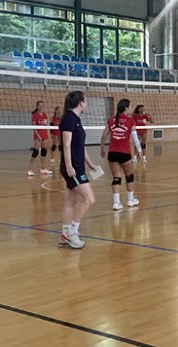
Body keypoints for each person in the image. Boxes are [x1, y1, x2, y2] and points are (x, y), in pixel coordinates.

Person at [59, 91, 97, 249]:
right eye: (86, 101)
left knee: (70, 201)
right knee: (89, 199)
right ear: (81, 102)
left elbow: (79, 147)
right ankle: (72, 232)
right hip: (73, 168)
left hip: (78, 166)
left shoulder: (75, 119)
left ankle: (64, 235)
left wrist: (90, 164)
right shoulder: (68, 118)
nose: (86, 104)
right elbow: (66, 144)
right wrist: (69, 166)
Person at [99, 99, 140, 211]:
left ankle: (116, 203)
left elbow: (103, 137)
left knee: (116, 177)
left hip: (112, 153)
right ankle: (130, 200)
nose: (132, 108)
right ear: (126, 108)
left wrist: (102, 150)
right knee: (129, 176)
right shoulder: (130, 121)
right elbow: (135, 139)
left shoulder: (111, 120)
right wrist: (140, 151)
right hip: (124, 153)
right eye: (131, 106)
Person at [28, 101, 53, 177]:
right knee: (35, 152)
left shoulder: (45, 115)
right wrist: (38, 135)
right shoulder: (35, 115)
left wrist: (47, 134)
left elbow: (46, 125)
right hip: (38, 136)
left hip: (44, 135)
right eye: (39, 105)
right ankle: (30, 170)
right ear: (37, 106)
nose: (41, 107)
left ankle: (43, 169)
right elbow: (34, 127)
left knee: (44, 152)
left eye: (42, 105)